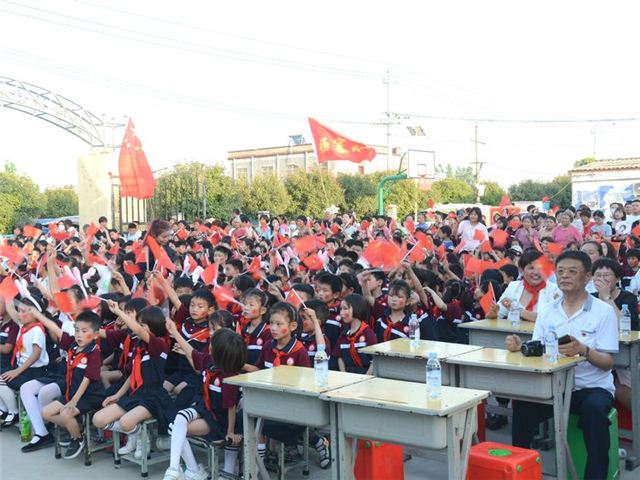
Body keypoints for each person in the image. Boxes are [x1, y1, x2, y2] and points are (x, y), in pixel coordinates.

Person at [505, 251, 618, 480]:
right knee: (522, 407)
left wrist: (584, 350)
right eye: (561, 272)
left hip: (591, 388)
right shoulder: (548, 310)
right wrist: (521, 347)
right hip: (555, 386)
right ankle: (521, 473)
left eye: (572, 272)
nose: (565, 276)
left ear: (587, 277)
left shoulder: (603, 312)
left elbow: (608, 363)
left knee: (594, 412)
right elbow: (538, 348)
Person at [162, 326, 245, 480]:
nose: (209, 344)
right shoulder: (210, 362)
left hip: (219, 421)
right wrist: (175, 332)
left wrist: (230, 431)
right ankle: (176, 468)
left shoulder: (229, 378)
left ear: (219, 353)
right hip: (204, 409)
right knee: (178, 421)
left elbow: (231, 407)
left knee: (175, 427)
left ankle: (191, 469)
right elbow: (191, 352)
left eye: (212, 343)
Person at [93, 305, 175, 459]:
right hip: (135, 394)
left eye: (142, 324)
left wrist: (118, 311)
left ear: (154, 325)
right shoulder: (139, 345)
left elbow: (137, 330)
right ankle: (138, 434)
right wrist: (117, 395)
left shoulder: (160, 344)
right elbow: (133, 375)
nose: (138, 327)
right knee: (98, 420)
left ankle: (141, 437)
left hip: (153, 397)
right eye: (139, 324)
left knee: (126, 423)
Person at [36, 310, 105, 459]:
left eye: (84, 331)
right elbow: (56, 329)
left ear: (95, 335)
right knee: (46, 412)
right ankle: (76, 429)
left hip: (89, 396)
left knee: (66, 413)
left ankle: (77, 439)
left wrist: (73, 401)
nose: (79, 334)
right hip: (71, 393)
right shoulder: (73, 345)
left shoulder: (94, 353)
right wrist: (38, 315)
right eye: (77, 330)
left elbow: (87, 379)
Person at [590, 257, 638, 412]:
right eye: (598, 275)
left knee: (623, 385)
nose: (602, 279)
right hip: (596, 351)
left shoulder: (627, 297)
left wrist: (607, 298)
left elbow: (626, 326)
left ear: (617, 278)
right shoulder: (589, 298)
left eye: (607, 275)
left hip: (623, 351)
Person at [0, 294, 49, 429]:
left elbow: (35, 355)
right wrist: (6, 291)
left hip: (33, 371)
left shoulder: (37, 330)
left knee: (1, 379)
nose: (19, 314)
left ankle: (13, 411)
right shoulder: (24, 325)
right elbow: (11, 308)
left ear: (35, 314)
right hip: (23, 369)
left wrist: (16, 371)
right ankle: (4, 408)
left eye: (23, 311)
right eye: (19, 310)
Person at [488, 250, 561, 322]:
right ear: (521, 270)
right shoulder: (513, 287)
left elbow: (551, 319)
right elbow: (498, 314)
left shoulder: (554, 290)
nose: (536, 272)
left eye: (540, 268)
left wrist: (518, 311)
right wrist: (493, 314)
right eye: (531, 268)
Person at [334, 294, 376, 374]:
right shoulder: (344, 334)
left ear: (357, 308)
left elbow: (375, 358)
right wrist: (344, 374)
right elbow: (339, 356)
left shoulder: (367, 333)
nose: (341, 313)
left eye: (345, 309)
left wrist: (366, 377)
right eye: (341, 309)